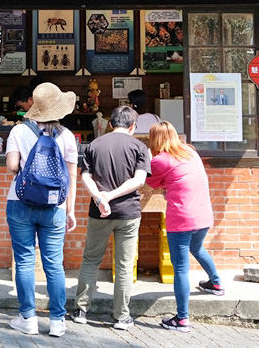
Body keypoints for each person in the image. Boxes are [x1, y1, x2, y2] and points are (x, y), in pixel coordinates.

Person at [5, 82, 78, 338]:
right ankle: (57, 320)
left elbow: (12, 166)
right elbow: (71, 176)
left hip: (20, 202)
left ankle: (28, 318)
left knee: (24, 261)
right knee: (54, 264)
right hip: (55, 206)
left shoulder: (18, 131)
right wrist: (70, 210)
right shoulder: (67, 136)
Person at [73, 105, 150, 330]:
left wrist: (100, 198)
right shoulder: (139, 147)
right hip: (128, 212)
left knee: (91, 260)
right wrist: (111, 196)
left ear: (109, 124)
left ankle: (81, 310)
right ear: (133, 126)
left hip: (99, 212)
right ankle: (121, 317)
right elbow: (139, 181)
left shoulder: (94, 145)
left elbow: (85, 177)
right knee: (124, 265)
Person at [146, 121, 225, 333]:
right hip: (203, 215)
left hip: (182, 219)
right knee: (197, 248)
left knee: (180, 268)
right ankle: (216, 283)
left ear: (154, 140)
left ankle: (182, 319)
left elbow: (150, 182)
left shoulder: (160, 160)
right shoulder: (190, 151)